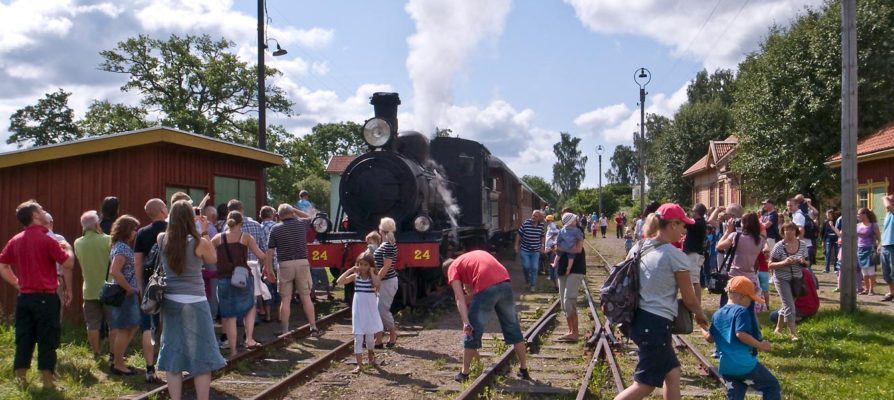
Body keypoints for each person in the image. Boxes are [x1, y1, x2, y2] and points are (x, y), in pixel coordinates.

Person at [614, 203, 707, 400]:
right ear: (673, 224)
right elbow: (690, 299)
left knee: (672, 373)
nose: (684, 231)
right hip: (655, 324)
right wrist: (700, 315)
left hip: (637, 319)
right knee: (644, 385)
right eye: (683, 225)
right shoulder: (675, 256)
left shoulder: (639, 247)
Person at [156, 200, 226, 400]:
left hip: (170, 301)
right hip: (196, 301)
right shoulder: (199, 242)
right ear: (191, 218)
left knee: (173, 355)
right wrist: (203, 231)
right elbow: (212, 259)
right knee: (202, 355)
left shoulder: (162, 238)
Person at [0, 200, 75, 389]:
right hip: (46, 297)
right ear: (34, 215)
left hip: (24, 297)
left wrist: (16, 283)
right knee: (47, 338)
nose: (43, 211)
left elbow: (3, 265)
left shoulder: (16, 239)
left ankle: (21, 379)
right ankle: (47, 382)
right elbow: (68, 263)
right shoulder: (47, 239)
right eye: (40, 210)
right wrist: (68, 248)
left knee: (24, 337)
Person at [444, 250, 531, 383]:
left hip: (486, 286)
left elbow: (460, 299)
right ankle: (523, 370)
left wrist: (466, 322)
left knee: (471, 331)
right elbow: (471, 293)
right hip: (504, 282)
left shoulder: (452, 268)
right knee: (513, 328)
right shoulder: (469, 260)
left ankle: (464, 373)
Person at [703, 276, 781, 400]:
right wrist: (760, 345)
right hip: (744, 365)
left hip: (727, 367)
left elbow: (709, 338)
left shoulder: (717, 314)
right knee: (771, 386)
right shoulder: (741, 312)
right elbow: (741, 334)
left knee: (735, 396)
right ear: (742, 296)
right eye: (750, 299)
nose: (750, 303)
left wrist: (702, 327)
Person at [214, 211, 268, 356]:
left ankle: (233, 351)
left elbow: (210, 257)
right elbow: (261, 255)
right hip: (242, 278)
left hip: (223, 279)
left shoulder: (218, 238)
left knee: (229, 316)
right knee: (250, 307)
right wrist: (267, 259)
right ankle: (249, 339)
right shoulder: (246, 237)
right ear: (241, 223)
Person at [266, 204, 321, 336]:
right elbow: (310, 217)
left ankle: (285, 330)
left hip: (284, 264)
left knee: (285, 299)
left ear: (279, 216)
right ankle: (313, 327)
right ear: (292, 213)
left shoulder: (275, 228)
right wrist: (294, 209)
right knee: (306, 297)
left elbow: (270, 251)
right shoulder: (302, 224)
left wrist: (269, 269)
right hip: (302, 263)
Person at [133, 198, 168, 383]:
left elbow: (138, 262)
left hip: (151, 284)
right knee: (170, 323)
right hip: (171, 282)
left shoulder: (142, 232)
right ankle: (172, 365)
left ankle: (149, 368)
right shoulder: (172, 229)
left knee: (148, 326)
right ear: (162, 210)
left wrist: (140, 286)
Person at [73, 210, 113, 358]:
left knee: (92, 324)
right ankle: (113, 353)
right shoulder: (108, 240)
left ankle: (96, 352)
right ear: (97, 224)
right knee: (113, 324)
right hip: (109, 288)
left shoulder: (78, 242)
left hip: (89, 289)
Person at [336, 252, 382, 373]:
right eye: (360, 264)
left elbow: (377, 284)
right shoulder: (356, 277)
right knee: (358, 337)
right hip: (358, 311)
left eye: (366, 265)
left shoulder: (373, 277)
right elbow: (339, 281)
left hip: (370, 311)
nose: (362, 267)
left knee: (370, 338)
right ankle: (359, 365)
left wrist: (372, 272)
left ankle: (371, 353)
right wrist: (350, 270)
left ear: (370, 265)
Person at [108, 215, 142, 376]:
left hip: (126, 293)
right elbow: (114, 271)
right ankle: (118, 363)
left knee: (131, 327)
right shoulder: (122, 248)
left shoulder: (119, 245)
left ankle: (118, 359)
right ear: (126, 230)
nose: (135, 232)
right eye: (134, 229)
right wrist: (129, 288)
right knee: (125, 329)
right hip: (125, 294)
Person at [715, 213, 766, 308]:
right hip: (750, 277)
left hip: (734, 276)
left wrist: (728, 231)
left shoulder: (735, 236)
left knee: (728, 304)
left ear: (744, 224)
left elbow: (719, 246)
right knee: (748, 305)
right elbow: (763, 233)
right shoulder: (760, 240)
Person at [767, 222, 808, 341]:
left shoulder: (802, 245)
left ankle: (778, 329)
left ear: (796, 231)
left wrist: (803, 261)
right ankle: (793, 333)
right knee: (790, 305)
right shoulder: (779, 246)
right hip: (781, 278)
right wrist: (784, 262)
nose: (789, 232)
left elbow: (808, 262)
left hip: (796, 279)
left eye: (792, 230)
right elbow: (770, 265)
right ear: (783, 232)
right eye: (786, 230)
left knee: (787, 305)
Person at [555, 207, 587, 342]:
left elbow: (578, 249)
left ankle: (575, 333)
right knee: (564, 304)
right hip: (562, 268)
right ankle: (570, 332)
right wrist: (564, 248)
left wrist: (563, 248)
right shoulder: (562, 231)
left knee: (569, 300)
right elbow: (556, 247)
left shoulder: (578, 231)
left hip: (576, 268)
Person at [374, 217, 400, 348]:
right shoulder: (386, 244)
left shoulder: (388, 245)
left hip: (387, 281)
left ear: (381, 229)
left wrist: (377, 280)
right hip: (385, 281)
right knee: (378, 310)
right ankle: (378, 339)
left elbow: (387, 266)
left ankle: (393, 334)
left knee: (382, 310)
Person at [514, 210, 545, 292]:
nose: (533, 217)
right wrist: (516, 245)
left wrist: (542, 246)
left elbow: (542, 236)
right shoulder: (526, 223)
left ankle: (533, 285)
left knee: (534, 268)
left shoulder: (541, 225)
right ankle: (527, 279)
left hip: (535, 250)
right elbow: (519, 234)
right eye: (533, 215)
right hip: (525, 249)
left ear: (539, 218)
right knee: (526, 266)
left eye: (535, 216)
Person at [683, 203, 708, 302]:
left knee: (695, 281)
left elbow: (685, 223)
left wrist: (683, 215)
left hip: (694, 254)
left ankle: (697, 303)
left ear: (697, 212)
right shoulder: (698, 222)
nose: (692, 213)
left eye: (693, 211)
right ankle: (693, 301)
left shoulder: (698, 223)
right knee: (692, 280)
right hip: (692, 253)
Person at [259, 205, 280, 322]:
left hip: (265, 263)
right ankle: (280, 315)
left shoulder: (259, 227)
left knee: (267, 290)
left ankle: (268, 315)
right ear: (272, 215)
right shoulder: (277, 226)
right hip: (278, 261)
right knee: (278, 289)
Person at [856, 208, 880, 295]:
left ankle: (871, 289)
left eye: (859, 214)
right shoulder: (858, 225)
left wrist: (879, 245)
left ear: (865, 214)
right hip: (860, 249)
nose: (858, 216)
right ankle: (866, 289)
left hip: (870, 249)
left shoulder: (873, 225)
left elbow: (879, 237)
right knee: (864, 271)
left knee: (871, 270)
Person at [880, 195, 894, 302]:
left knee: (893, 271)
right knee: (886, 273)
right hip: (885, 246)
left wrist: (885, 197)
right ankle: (892, 293)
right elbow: (885, 230)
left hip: (893, 246)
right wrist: (880, 244)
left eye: (890, 201)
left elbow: (888, 205)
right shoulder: (888, 214)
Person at [544, 215, 560, 291]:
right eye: (547, 220)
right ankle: (555, 285)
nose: (547, 221)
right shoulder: (549, 226)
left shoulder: (553, 226)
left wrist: (553, 245)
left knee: (554, 266)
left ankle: (557, 285)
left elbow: (558, 232)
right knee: (551, 266)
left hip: (552, 249)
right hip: (549, 249)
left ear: (551, 220)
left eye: (548, 220)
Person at [822, 209, 840, 274]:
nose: (827, 216)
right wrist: (823, 241)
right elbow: (823, 232)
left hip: (836, 238)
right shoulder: (825, 222)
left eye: (828, 215)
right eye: (827, 215)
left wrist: (832, 225)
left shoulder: (836, 221)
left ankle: (836, 268)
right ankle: (827, 268)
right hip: (828, 238)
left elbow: (838, 230)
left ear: (831, 214)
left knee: (836, 254)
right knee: (828, 253)